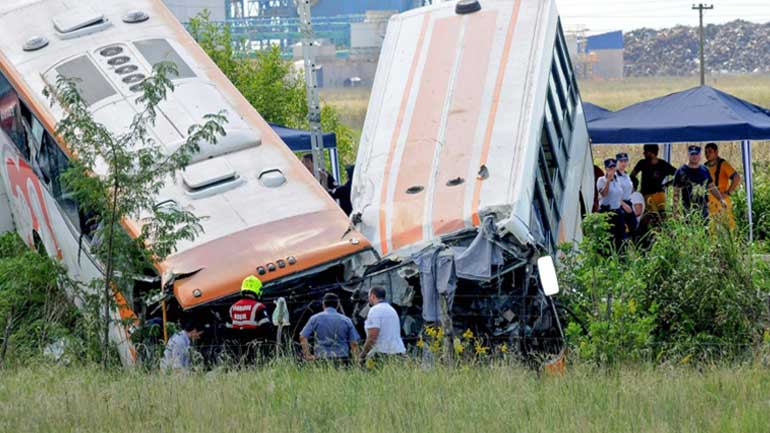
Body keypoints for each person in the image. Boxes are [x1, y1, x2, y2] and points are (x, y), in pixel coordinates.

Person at [299, 292, 360, 364]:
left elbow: (303, 337)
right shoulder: (346, 320)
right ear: (337, 305)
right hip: (342, 359)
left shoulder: (315, 318)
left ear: (323, 304)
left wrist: (307, 355)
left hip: (321, 359)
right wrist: (357, 362)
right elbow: (354, 343)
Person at [673, 145, 727, 220]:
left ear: (700, 155)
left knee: (704, 230)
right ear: (688, 155)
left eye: (696, 154)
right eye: (692, 154)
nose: (694, 156)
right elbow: (676, 192)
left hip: (703, 209)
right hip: (688, 210)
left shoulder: (704, 170)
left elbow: (711, 187)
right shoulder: (681, 171)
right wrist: (675, 210)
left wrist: (721, 199)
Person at [228, 275, 272, 361]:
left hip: (237, 350)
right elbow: (267, 328)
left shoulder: (233, 307)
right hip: (254, 349)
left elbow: (229, 328)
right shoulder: (259, 307)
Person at [359, 286, 406, 365]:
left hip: (382, 353)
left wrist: (363, 354)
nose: (368, 299)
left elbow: (372, 336)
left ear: (373, 296)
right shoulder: (391, 309)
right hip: (398, 351)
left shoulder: (375, 310)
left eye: (369, 297)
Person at [630, 144, 677, 213]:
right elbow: (631, 176)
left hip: (658, 196)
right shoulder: (642, 163)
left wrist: (667, 185)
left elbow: (679, 175)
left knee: (659, 218)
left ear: (652, 153)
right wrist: (634, 187)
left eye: (646, 152)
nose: (643, 153)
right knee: (645, 219)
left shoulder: (663, 164)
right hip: (644, 195)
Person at [704, 142, 741, 228]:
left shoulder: (723, 164)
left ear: (716, 152)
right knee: (712, 229)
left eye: (710, 152)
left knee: (727, 228)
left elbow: (736, 178)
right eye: (706, 152)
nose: (707, 154)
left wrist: (728, 193)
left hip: (722, 202)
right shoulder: (705, 166)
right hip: (709, 203)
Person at [596, 158, 628, 250]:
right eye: (610, 168)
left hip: (617, 211)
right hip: (606, 211)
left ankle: (621, 255)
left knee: (621, 237)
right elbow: (604, 194)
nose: (612, 170)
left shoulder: (618, 180)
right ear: (606, 169)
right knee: (608, 238)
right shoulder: (601, 180)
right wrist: (608, 180)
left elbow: (619, 194)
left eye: (614, 167)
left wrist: (623, 204)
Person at [615, 152, 637, 235]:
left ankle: (634, 246)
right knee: (621, 230)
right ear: (616, 162)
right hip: (619, 204)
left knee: (634, 227)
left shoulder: (626, 175)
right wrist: (623, 204)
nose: (623, 163)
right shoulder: (615, 176)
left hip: (628, 202)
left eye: (625, 161)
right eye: (621, 161)